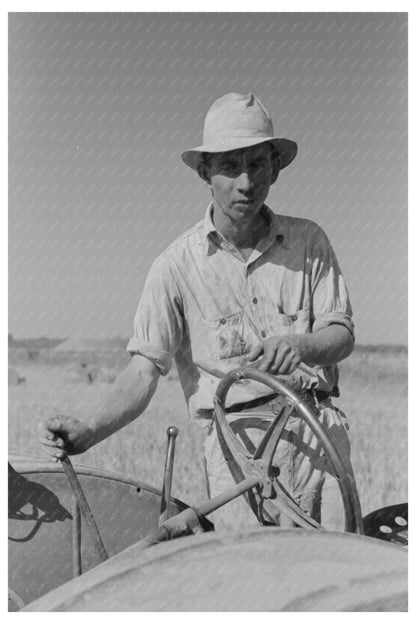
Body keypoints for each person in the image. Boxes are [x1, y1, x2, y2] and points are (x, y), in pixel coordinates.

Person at [40, 92, 360, 531]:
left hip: (318, 442)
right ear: (204, 172)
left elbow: (340, 332)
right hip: (236, 454)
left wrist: (300, 345)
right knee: (247, 589)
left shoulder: (309, 242)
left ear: (276, 168)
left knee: (342, 585)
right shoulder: (174, 266)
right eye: (230, 167)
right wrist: (89, 431)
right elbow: (142, 371)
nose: (246, 182)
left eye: (258, 164)